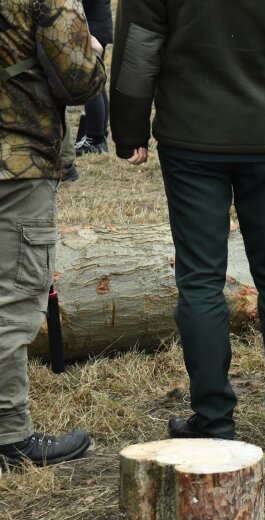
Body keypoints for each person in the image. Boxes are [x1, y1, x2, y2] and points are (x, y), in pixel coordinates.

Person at [110, 0, 265, 447]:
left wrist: (129, 126)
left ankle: (214, 419)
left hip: (192, 135)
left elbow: (137, 51)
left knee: (200, 281)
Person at [0, 0, 105, 467]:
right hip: (15, 162)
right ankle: (8, 435)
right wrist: (95, 51)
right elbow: (80, 78)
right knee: (13, 299)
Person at [74, 0, 113, 155]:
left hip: (93, 29)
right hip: (97, 26)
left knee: (90, 82)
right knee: (96, 82)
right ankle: (98, 135)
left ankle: (95, 138)